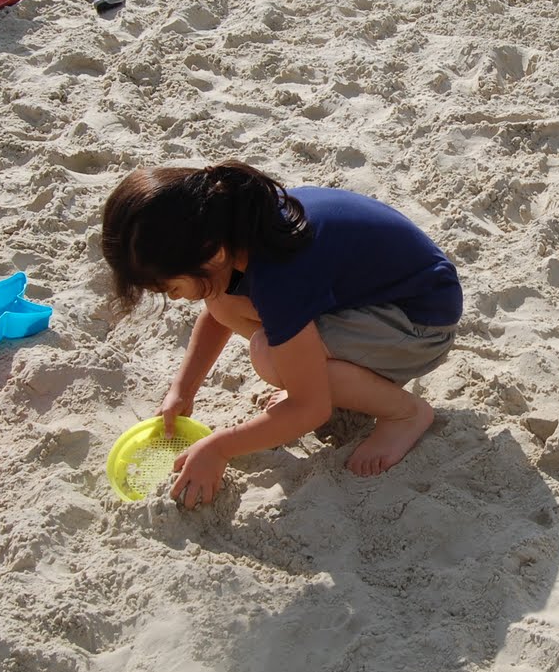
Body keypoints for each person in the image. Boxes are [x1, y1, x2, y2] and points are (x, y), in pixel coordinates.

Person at [101, 162, 463, 507]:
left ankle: (405, 414)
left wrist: (219, 448)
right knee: (224, 303)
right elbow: (218, 313)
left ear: (213, 255)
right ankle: (331, 378)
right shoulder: (237, 220)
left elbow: (311, 409)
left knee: (269, 356)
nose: (175, 297)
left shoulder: (279, 275)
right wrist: (183, 389)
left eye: (170, 288)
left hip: (421, 326)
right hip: (380, 301)